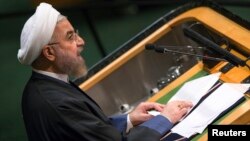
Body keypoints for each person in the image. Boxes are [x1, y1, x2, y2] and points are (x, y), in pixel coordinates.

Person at [18, 2, 193, 141]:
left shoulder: (42, 85)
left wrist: (129, 119)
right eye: (70, 37)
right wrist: (165, 119)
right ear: (49, 52)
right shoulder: (55, 103)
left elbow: (88, 133)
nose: (81, 41)